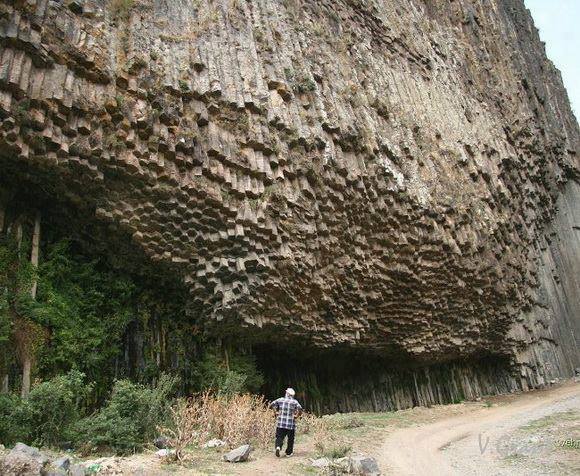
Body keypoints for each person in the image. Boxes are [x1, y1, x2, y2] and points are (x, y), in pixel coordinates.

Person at [269, 387, 303, 457]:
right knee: (290, 439)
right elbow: (300, 408)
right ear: (292, 395)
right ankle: (288, 452)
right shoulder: (294, 402)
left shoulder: (280, 399)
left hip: (281, 423)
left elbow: (271, 405)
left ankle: (278, 447)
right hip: (291, 424)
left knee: (279, 437)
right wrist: (297, 415)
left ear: (286, 393)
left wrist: (276, 412)